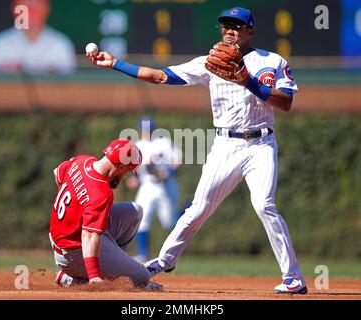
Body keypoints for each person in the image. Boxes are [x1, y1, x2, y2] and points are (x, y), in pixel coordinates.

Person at [86, 6, 307, 294]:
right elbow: (160, 76)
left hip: (261, 144)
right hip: (226, 144)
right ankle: (163, 260)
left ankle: (293, 278)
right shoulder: (210, 62)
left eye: (237, 26)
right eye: (226, 25)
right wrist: (116, 63)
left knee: (264, 205)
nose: (230, 30)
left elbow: (285, 101)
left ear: (250, 30)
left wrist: (248, 81)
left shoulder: (271, 61)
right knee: (199, 207)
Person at [49, 139, 162, 291]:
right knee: (142, 277)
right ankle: (72, 277)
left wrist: (73, 209)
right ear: (121, 166)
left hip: (64, 238)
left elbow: (57, 172)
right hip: (73, 251)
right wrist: (94, 277)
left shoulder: (82, 161)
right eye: (127, 171)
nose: (125, 176)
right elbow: (88, 236)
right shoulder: (100, 192)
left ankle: (112, 267)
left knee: (134, 211)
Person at [126, 116, 182, 262]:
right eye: (145, 130)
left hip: (166, 185)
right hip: (148, 185)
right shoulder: (139, 145)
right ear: (140, 130)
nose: (147, 132)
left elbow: (178, 160)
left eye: (149, 130)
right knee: (141, 218)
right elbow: (139, 169)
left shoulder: (164, 142)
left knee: (169, 222)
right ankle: (143, 254)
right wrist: (136, 179)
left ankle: (186, 211)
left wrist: (168, 172)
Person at [0, 0, 76, 74]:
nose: (31, 11)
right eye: (25, 5)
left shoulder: (60, 45)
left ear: (46, 8)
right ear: (14, 8)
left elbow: (70, 88)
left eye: (36, 5)